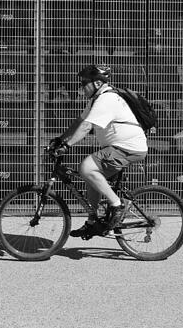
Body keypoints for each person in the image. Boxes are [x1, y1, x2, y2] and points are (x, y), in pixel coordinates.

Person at [48, 64, 148, 240]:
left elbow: (87, 127)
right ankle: (93, 221)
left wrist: (67, 146)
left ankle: (117, 205)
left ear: (96, 83)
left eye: (84, 83)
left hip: (127, 147)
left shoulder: (106, 99)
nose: (81, 87)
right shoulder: (96, 99)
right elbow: (81, 121)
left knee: (86, 167)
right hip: (120, 147)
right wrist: (61, 139)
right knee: (91, 177)